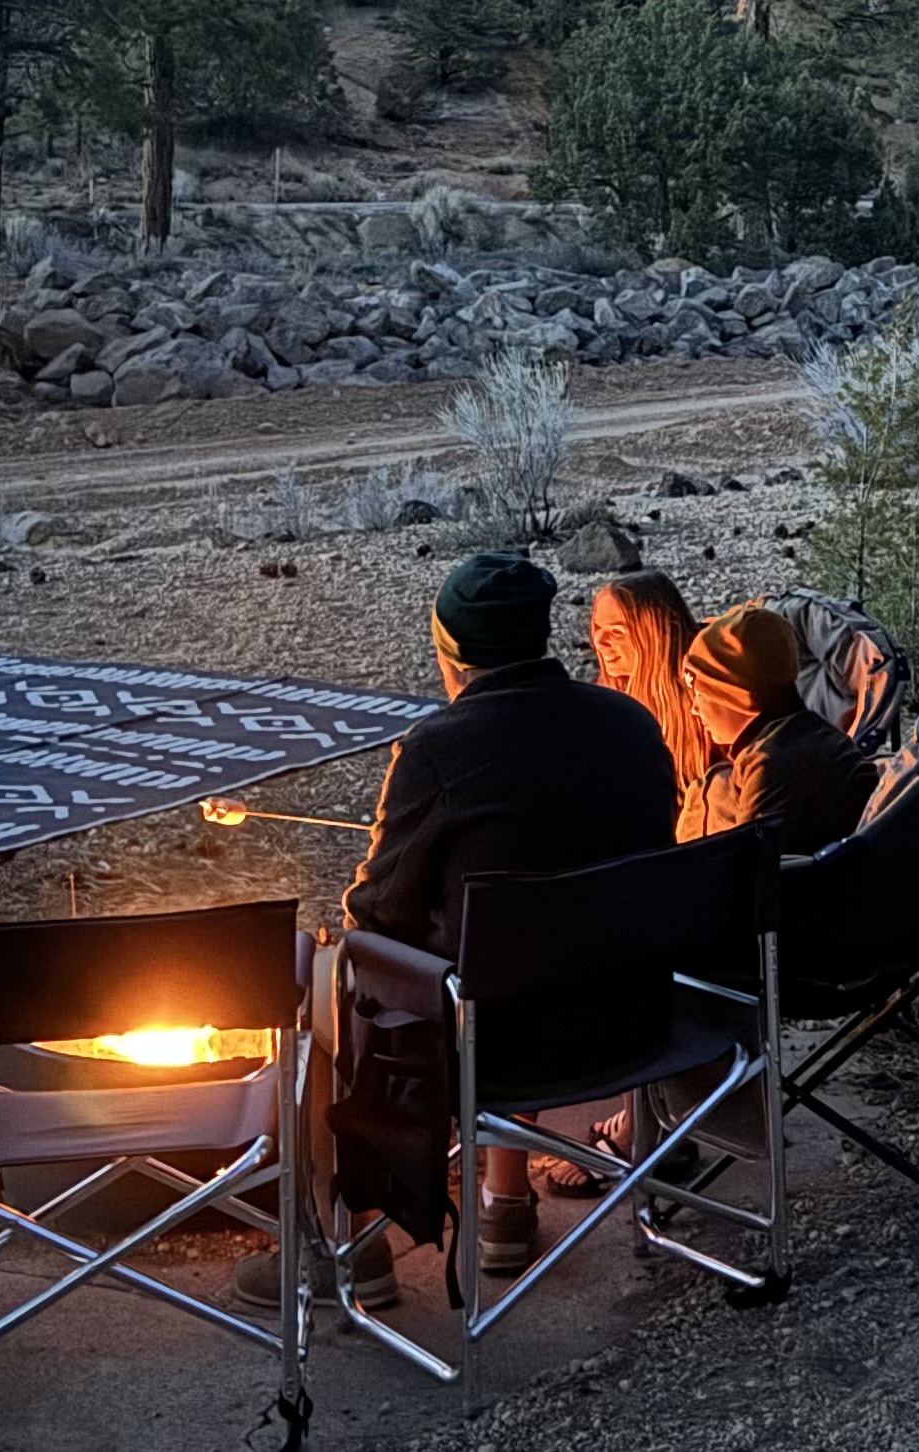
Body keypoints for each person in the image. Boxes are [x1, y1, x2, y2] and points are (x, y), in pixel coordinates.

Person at [251, 550, 672, 1307]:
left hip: (499, 1038)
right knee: (531, 951)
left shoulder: (438, 748)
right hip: (638, 1021)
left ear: (452, 655)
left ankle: (352, 1245)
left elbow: (376, 912)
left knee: (323, 976)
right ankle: (504, 1203)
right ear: (543, 637)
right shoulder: (632, 725)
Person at [675, 602, 878, 856]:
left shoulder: (771, 762)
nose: (695, 709)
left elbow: (753, 871)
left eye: (701, 695)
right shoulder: (810, 731)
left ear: (734, 696)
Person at [587, 570, 713, 793]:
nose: (599, 642)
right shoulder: (604, 703)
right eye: (598, 628)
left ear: (659, 634)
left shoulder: (705, 700)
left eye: (617, 632)